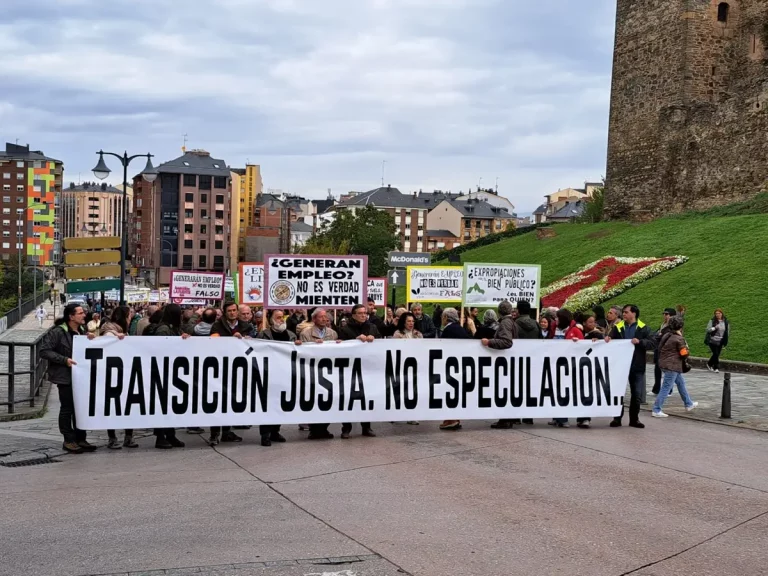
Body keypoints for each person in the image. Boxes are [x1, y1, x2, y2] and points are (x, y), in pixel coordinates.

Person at [39, 303, 98, 454]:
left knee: (81, 407)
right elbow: (44, 351)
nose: (84, 315)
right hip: (65, 377)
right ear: (71, 316)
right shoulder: (58, 332)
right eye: (80, 313)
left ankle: (80, 438)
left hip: (81, 376)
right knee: (68, 408)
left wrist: (89, 339)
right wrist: (64, 360)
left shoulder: (82, 331)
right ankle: (69, 440)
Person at [206, 301, 251, 446]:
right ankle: (214, 434)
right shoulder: (217, 326)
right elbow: (212, 343)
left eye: (234, 310)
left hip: (238, 369)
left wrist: (244, 340)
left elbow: (253, 346)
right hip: (220, 368)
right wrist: (231, 339)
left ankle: (226, 431)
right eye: (229, 311)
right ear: (225, 313)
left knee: (231, 401)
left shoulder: (246, 326)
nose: (232, 313)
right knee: (218, 401)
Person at [605, 305, 655, 429]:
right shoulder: (618, 327)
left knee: (636, 394)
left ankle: (634, 419)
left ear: (634, 314)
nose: (624, 314)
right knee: (618, 393)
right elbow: (611, 340)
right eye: (623, 312)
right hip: (620, 366)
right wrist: (607, 339)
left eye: (626, 312)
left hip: (636, 365)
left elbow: (653, 343)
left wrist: (640, 342)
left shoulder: (644, 328)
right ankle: (617, 418)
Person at [257, 309, 299, 446]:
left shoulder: (291, 335)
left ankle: (275, 431)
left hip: (285, 374)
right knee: (267, 405)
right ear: (271, 320)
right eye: (278, 317)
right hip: (268, 375)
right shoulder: (263, 335)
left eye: (283, 317)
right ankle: (265, 434)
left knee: (280, 404)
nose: (281, 320)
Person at [151, 304, 190, 448]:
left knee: (170, 406)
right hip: (162, 372)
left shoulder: (173, 328)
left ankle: (170, 434)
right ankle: (160, 437)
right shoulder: (163, 329)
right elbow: (160, 349)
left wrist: (183, 338)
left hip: (171, 371)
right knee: (162, 405)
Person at [338, 303, 379, 438]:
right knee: (348, 398)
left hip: (367, 368)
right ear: (354, 315)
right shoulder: (345, 329)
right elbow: (340, 346)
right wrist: (354, 341)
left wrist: (375, 339)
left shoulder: (372, 327)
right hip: (350, 369)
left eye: (365, 313)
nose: (363, 315)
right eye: (360, 313)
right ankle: (346, 427)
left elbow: (381, 344)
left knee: (366, 397)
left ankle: (366, 427)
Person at [100, 306, 137, 449]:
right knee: (113, 406)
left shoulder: (123, 331)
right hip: (113, 375)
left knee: (129, 406)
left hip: (126, 373)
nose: (130, 318)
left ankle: (128, 437)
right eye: (129, 316)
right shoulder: (110, 332)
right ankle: (112, 438)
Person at [482, 301, 518, 429]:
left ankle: (505, 419)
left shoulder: (505, 323)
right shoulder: (510, 321)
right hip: (508, 361)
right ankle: (508, 417)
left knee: (504, 388)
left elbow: (507, 342)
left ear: (499, 311)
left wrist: (489, 342)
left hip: (505, 361)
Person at [653, 316, 697, 417]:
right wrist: (687, 349)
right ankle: (656, 409)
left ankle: (688, 403)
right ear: (681, 327)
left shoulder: (667, 335)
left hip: (664, 363)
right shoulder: (679, 339)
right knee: (666, 387)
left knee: (681, 383)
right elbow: (684, 354)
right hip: (672, 365)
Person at [439, 308, 468, 430]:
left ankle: (451, 419)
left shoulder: (449, 330)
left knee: (449, 391)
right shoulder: (460, 328)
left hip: (451, 364)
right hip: (459, 364)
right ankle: (452, 418)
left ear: (446, 317)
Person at [652, 308, 677, 394]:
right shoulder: (663, 324)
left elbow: (666, 337)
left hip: (667, 352)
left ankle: (668, 390)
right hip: (659, 349)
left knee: (668, 372)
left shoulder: (673, 327)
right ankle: (656, 389)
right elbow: (656, 334)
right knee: (657, 370)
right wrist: (658, 335)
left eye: (667, 314)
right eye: (664, 314)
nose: (665, 316)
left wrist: (659, 335)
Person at [705, 308, 729, 373]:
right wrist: (713, 328)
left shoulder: (725, 322)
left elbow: (727, 331)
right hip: (712, 340)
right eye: (716, 313)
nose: (718, 315)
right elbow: (707, 330)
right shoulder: (712, 321)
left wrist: (725, 340)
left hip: (720, 340)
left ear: (722, 314)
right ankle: (716, 367)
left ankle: (709, 364)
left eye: (719, 313)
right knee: (715, 353)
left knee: (717, 354)